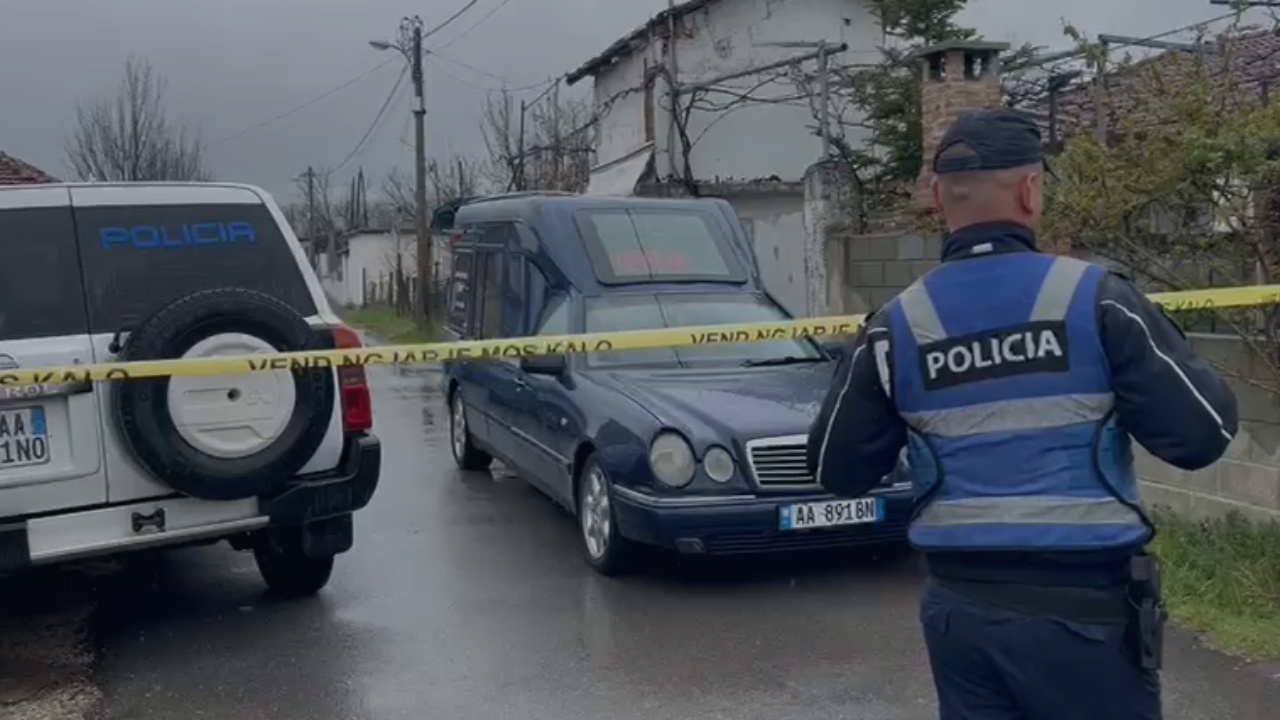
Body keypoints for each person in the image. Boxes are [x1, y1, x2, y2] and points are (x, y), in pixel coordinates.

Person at [806, 108, 1238, 720]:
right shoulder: (1099, 301)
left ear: (938, 198)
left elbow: (835, 468)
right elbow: (1202, 436)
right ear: (1032, 190)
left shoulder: (895, 326)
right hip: (1085, 616)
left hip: (962, 617)